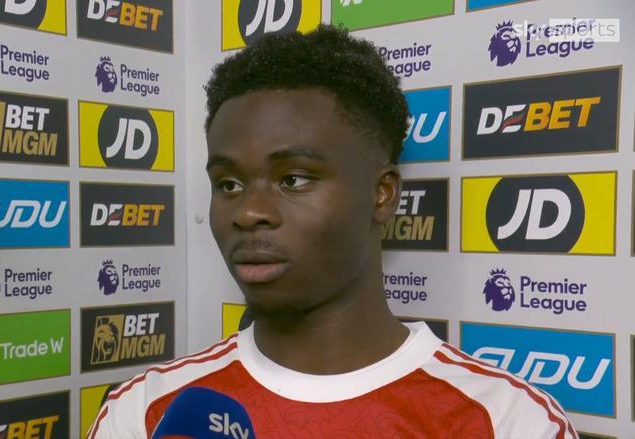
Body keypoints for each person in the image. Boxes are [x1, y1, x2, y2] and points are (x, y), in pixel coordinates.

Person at [88, 25, 577, 438]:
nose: (248, 213)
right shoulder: (147, 411)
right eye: (229, 184)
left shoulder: (507, 420)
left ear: (382, 195)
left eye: (293, 179)